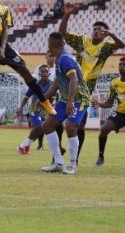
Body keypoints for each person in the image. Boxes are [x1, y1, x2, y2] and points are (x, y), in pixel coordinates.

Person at [59, 5, 124, 163]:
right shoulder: (82, 41)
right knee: (55, 120)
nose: (96, 31)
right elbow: (63, 34)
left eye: (101, 29)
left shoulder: (106, 47)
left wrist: (111, 35)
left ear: (105, 33)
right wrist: (67, 15)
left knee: (78, 125)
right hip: (69, 86)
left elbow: (122, 45)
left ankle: (76, 158)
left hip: (86, 91)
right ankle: (58, 151)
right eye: (95, 28)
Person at [38, 33, 90, 175]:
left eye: (49, 43)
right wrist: (43, 99)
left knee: (71, 126)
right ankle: (58, 163)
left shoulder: (65, 59)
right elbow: (57, 82)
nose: (47, 45)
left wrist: (70, 101)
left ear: (53, 45)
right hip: (65, 98)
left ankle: (73, 165)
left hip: (79, 98)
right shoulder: (59, 59)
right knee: (47, 126)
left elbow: (74, 80)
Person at [93, 57, 125, 167]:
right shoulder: (114, 82)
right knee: (104, 129)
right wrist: (100, 104)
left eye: (124, 64)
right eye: (120, 64)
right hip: (120, 114)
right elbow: (110, 102)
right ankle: (101, 156)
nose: (121, 66)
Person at [16, 64, 54, 155]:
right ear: (39, 74)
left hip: (46, 109)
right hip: (34, 108)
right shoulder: (35, 84)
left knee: (42, 130)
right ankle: (25, 146)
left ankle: (23, 146)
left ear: (49, 73)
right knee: (39, 127)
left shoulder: (52, 84)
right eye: (42, 72)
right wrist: (20, 108)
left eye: (46, 72)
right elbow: (26, 97)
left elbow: (55, 97)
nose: (44, 73)